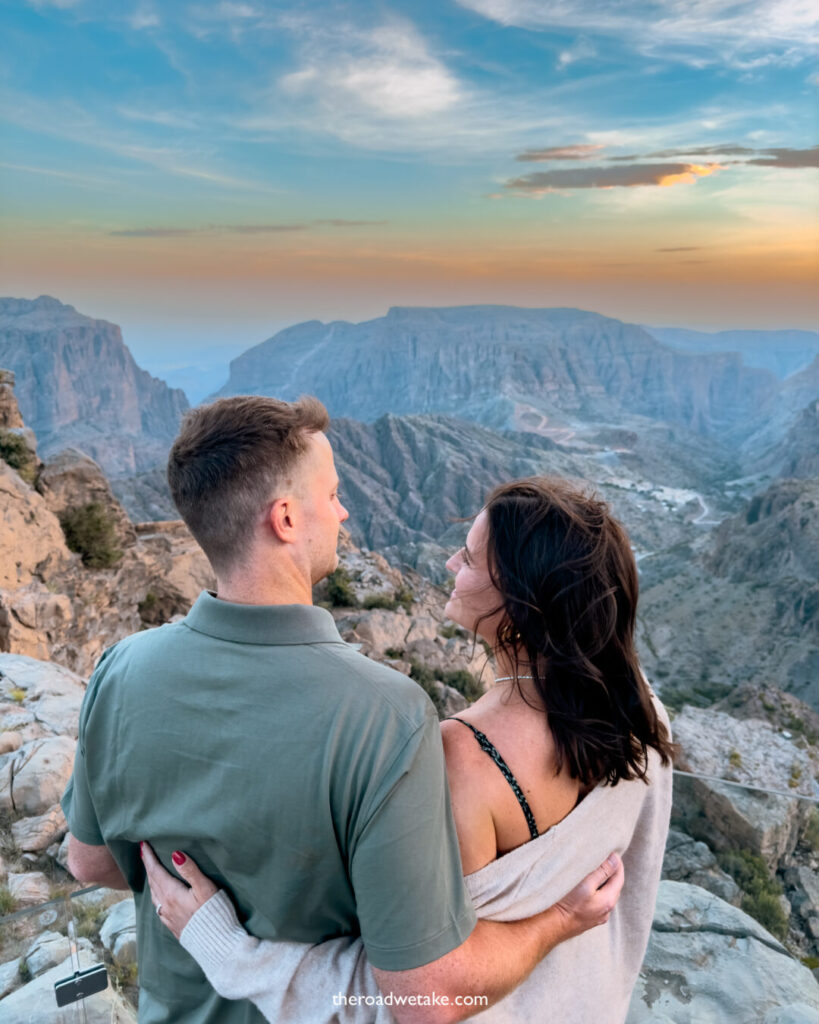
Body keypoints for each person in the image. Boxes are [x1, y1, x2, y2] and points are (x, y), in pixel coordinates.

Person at [61, 399, 624, 1024]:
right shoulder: (387, 714)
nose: (343, 511)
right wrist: (558, 923)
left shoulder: (118, 669)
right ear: (284, 518)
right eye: (330, 495)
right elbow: (427, 998)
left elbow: (88, 860)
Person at [142, 475, 675, 1024]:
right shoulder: (641, 712)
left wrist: (225, 948)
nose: (448, 564)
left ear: (517, 606)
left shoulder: (464, 759)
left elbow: (422, 997)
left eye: (467, 559)